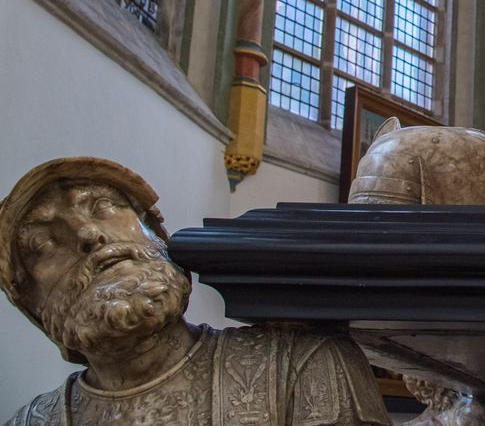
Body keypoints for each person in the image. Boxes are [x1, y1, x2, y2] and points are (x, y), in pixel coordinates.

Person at [0, 156, 391, 425]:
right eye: (43, 244)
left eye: (104, 206)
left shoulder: (302, 366)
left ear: (158, 236)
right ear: (33, 306)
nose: (88, 235)